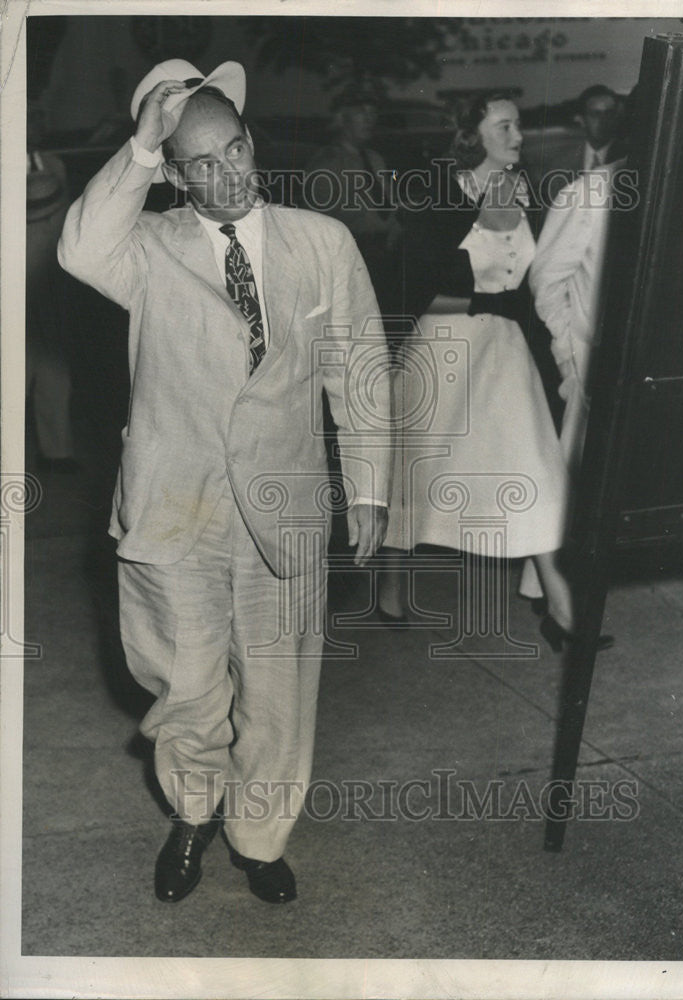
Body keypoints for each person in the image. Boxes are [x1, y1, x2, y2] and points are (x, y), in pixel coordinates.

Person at [58, 59, 390, 905]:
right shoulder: (145, 250)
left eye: (235, 148)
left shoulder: (322, 243)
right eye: (201, 162)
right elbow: (78, 245)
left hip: (284, 509)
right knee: (187, 688)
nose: (229, 172)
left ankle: (260, 837)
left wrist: (370, 487)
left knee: (280, 692)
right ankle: (194, 814)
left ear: (252, 141)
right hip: (176, 509)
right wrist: (137, 147)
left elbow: (358, 371)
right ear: (173, 174)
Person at [378, 92, 604, 652]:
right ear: (472, 135)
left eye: (519, 125)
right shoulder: (441, 195)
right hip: (442, 353)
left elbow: (541, 279)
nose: (518, 135)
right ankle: (389, 584)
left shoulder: (532, 192)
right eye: (504, 126)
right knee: (415, 475)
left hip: (505, 355)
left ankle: (560, 607)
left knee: (540, 474)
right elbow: (409, 288)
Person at [517, 160, 624, 606]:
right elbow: (545, 281)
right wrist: (570, 353)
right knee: (576, 474)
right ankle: (551, 595)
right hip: (596, 357)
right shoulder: (591, 191)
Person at [303, 87, 401, 316]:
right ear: (341, 118)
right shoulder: (327, 165)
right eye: (360, 112)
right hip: (353, 259)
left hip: (385, 255)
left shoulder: (375, 159)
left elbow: (390, 204)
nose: (369, 118)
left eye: (373, 112)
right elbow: (316, 225)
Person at [26, 105, 78, 472]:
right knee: (16, 367)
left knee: (55, 367)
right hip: (14, 278)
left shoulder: (55, 164)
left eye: (35, 120)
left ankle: (56, 452)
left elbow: (63, 216)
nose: (32, 127)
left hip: (51, 279)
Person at [539, 84, 626, 206]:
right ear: (581, 119)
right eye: (595, 114)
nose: (603, 121)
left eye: (609, 113)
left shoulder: (627, 160)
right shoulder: (560, 165)